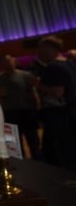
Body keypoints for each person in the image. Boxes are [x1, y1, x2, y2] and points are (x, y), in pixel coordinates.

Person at [33, 36, 76, 170]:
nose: (38, 52)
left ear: (49, 48)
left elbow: (58, 92)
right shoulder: (69, 64)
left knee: (57, 156)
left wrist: (38, 85)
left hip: (58, 118)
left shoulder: (54, 66)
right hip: (69, 115)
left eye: (41, 49)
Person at [0, 54, 41, 160]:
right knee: (15, 145)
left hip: (27, 112)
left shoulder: (26, 75)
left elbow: (34, 93)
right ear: (1, 64)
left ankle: (38, 163)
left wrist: (37, 108)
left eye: (10, 60)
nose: (9, 63)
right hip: (10, 113)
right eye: (5, 61)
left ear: (14, 61)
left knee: (33, 143)